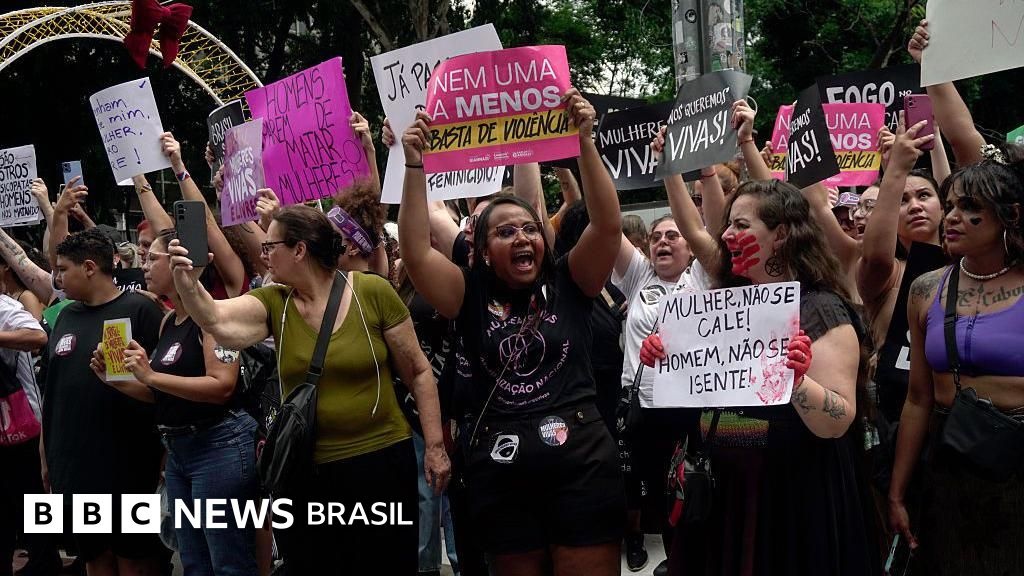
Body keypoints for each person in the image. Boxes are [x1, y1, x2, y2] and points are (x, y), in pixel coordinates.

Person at [398, 89, 625, 576]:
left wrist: (585, 143)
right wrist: (413, 166)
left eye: (529, 228)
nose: (522, 237)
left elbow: (607, 226)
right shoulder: (467, 294)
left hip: (582, 469)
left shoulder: (571, 279)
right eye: (505, 232)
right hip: (502, 478)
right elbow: (415, 252)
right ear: (479, 251)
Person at [167, 204, 449, 575]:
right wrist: (190, 281)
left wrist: (434, 447)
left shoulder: (371, 292)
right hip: (306, 474)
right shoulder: (274, 304)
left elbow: (418, 372)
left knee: (385, 564)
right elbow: (216, 320)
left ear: (299, 250)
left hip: (379, 464)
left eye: (271, 247)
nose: (264, 255)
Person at [641, 179, 878, 576]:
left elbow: (837, 421)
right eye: (729, 225)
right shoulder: (718, 309)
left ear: (782, 234)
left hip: (791, 498)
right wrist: (667, 359)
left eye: (742, 225)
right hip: (727, 493)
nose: (728, 235)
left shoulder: (820, 310)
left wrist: (797, 382)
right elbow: (704, 404)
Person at [89, 229, 259, 576]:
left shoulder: (214, 316)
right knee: (194, 560)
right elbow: (162, 393)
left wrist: (150, 375)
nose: (144, 267)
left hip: (218, 445)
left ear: (181, 263)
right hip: (181, 451)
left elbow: (222, 385)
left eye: (153, 258)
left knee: (227, 561)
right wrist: (117, 380)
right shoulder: (169, 320)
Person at [889, 145, 1024, 575]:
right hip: (949, 467)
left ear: (1010, 215)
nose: (950, 216)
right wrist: (897, 491)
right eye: (949, 205)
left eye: (969, 207)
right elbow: (917, 399)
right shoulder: (926, 289)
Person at [42, 228, 166, 576]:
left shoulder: (141, 310)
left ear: (90, 267)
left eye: (64, 269)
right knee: (94, 558)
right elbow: (53, 389)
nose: (57, 277)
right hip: (74, 466)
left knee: (135, 560)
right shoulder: (64, 316)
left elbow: (165, 388)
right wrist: (46, 452)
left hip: (129, 463)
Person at [0, 294, 55, 576]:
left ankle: (45, 562)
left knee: (32, 498)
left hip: (21, 424)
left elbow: (38, 336)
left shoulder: (4, 306)